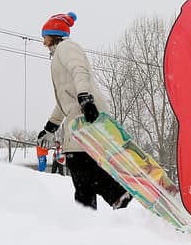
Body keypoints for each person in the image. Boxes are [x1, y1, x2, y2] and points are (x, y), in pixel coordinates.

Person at [32, 12, 131, 211]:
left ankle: (117, 193)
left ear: (53, 35)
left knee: (79, 163)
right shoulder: (58, 56)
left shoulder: (67, 48)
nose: (43, 42)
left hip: (87, 113)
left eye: (45, 37)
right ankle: (85, 216)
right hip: (77, 114)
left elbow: (79, 70)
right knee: (79, 171)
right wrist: (50, 127)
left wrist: (86, 98)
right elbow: (64, 101)